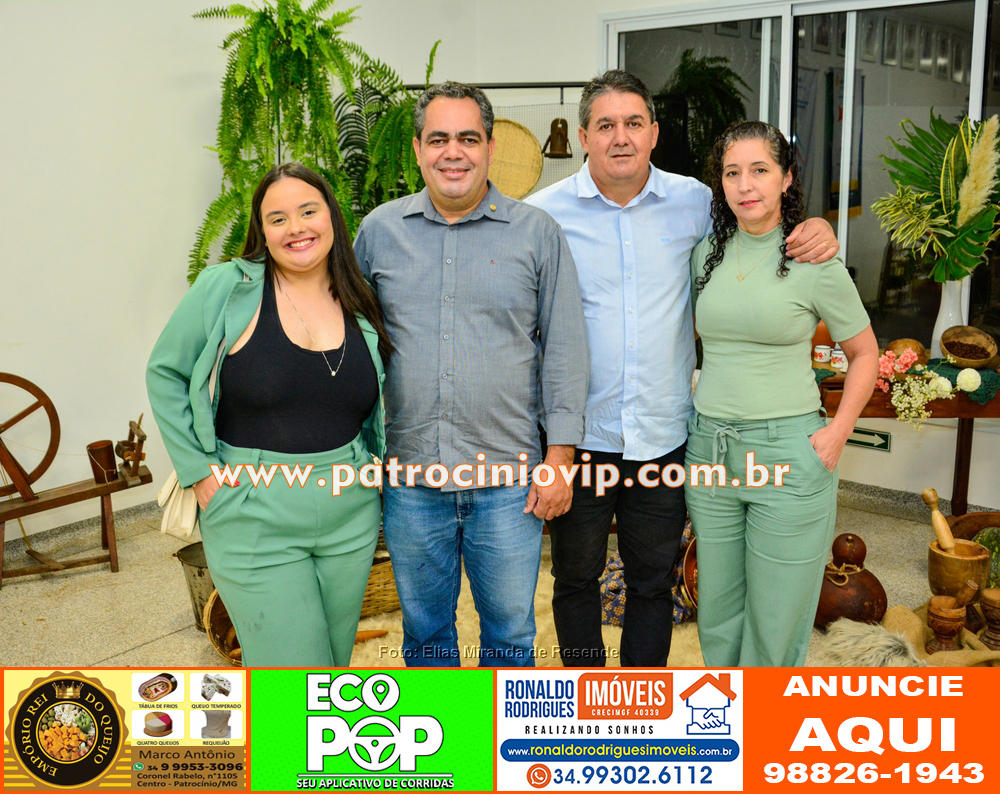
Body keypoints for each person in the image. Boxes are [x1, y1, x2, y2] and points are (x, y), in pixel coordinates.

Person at [527, 70, 840, 668]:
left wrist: (816, 225)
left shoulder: (695, 202)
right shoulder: (543, 215)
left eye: (634, 123)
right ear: (584, 137)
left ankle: (641, 701)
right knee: (574, 578)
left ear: (654, 133)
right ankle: (587, 698)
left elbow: (760, 226)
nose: (621, 137)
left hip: (664, 437)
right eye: (605, 125)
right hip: (580, 438)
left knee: (653, 581)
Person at [353, 81, 589, 667]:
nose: (452, 152)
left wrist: (560, 460)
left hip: (510, 481)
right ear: (417, 149)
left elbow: (564, 350)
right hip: (412, 479)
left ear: (489, 147)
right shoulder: (378, 233)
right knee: (425, 635)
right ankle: (444, 727)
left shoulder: (537, 233)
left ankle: (501, 731)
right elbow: (347, 347)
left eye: (467, 138)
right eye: (438, 139)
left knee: (510, 635)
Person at [147, 162, 393, 667]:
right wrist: (199, 472)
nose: (296, 228)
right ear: (262, 230)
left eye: (308, 211)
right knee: (292, 670)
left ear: (332, 216)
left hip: (350, 507)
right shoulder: (226, 288)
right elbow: (165, 373)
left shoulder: (359, 295)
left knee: (333, 665)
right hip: (252, 507)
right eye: (277, 218)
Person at [685, 121, 878, 667]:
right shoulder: (706, 254)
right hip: (711, 451)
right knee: (717, 609)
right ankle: (725, 714)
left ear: (787, 178)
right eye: (732, 173)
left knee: (776, 617)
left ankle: (765, 715)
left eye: (760, 170)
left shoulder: (813, 259)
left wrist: (838, 433)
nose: (745, 185)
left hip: (789, 453)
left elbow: (866, 354)